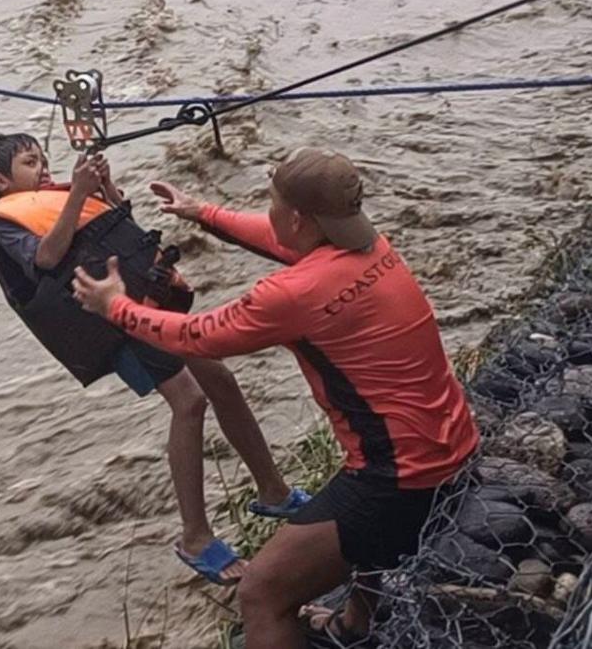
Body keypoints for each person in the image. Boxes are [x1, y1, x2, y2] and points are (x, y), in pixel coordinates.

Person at [72, 147, 479, 647]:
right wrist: (204, 213)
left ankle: (339, 620)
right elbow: (283, 241)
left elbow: (197, 336)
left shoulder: (293, 294)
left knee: (263, 592)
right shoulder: (373, 249)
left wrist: (115, 306)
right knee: (355, 506)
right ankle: (356, 624)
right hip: (456, 449)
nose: (269, 212)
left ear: (298, 218)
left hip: (400, 481)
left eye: (272, 201)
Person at [0, 133, 309, 585]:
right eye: (30, 163)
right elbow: (48, 256)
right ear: (0, 180)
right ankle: (196, 537)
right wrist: (76, 194)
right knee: (188, 403)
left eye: (43, 160)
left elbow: (118, 223)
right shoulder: (6, 220)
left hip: (145, 303)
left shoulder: (56, 197)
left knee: (222, 381)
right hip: (109, 320)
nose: (44, 169)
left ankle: (273, 491)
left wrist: (105, 189)